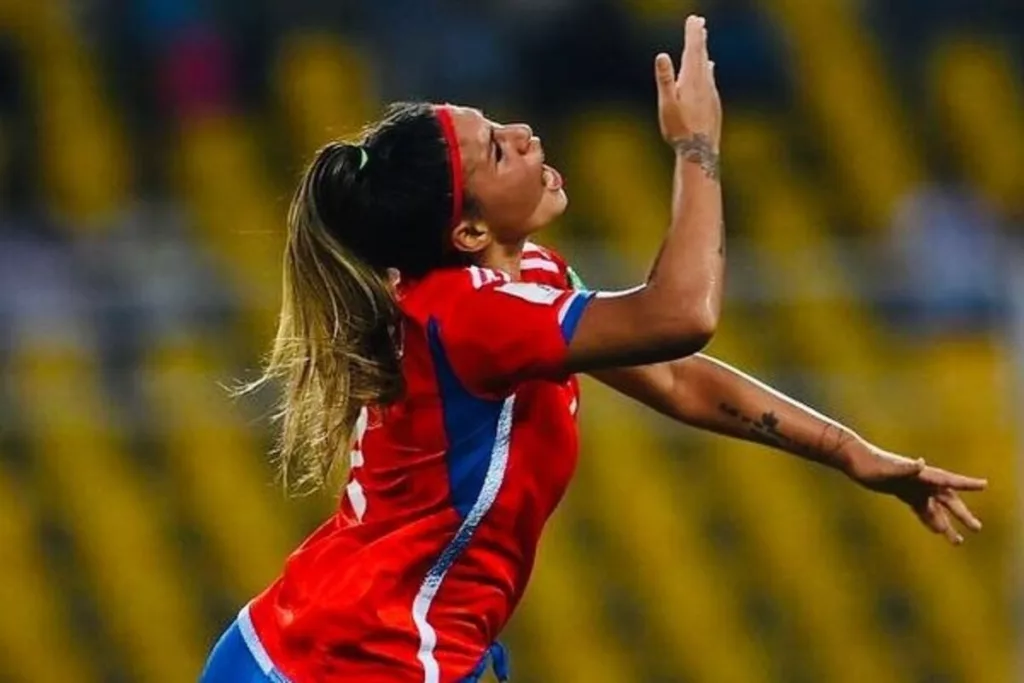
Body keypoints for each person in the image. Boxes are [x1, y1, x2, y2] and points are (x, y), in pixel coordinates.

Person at [200, 15, 987, 683]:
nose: (524, 133)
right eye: (499, 152)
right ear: (468, 232)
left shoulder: (524, 285)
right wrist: (697, 148)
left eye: (499, 125)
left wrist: (850, 451)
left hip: (333, 640)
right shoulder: (472, 315)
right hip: (358, 655)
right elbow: (682, 314)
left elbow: (676, 377)